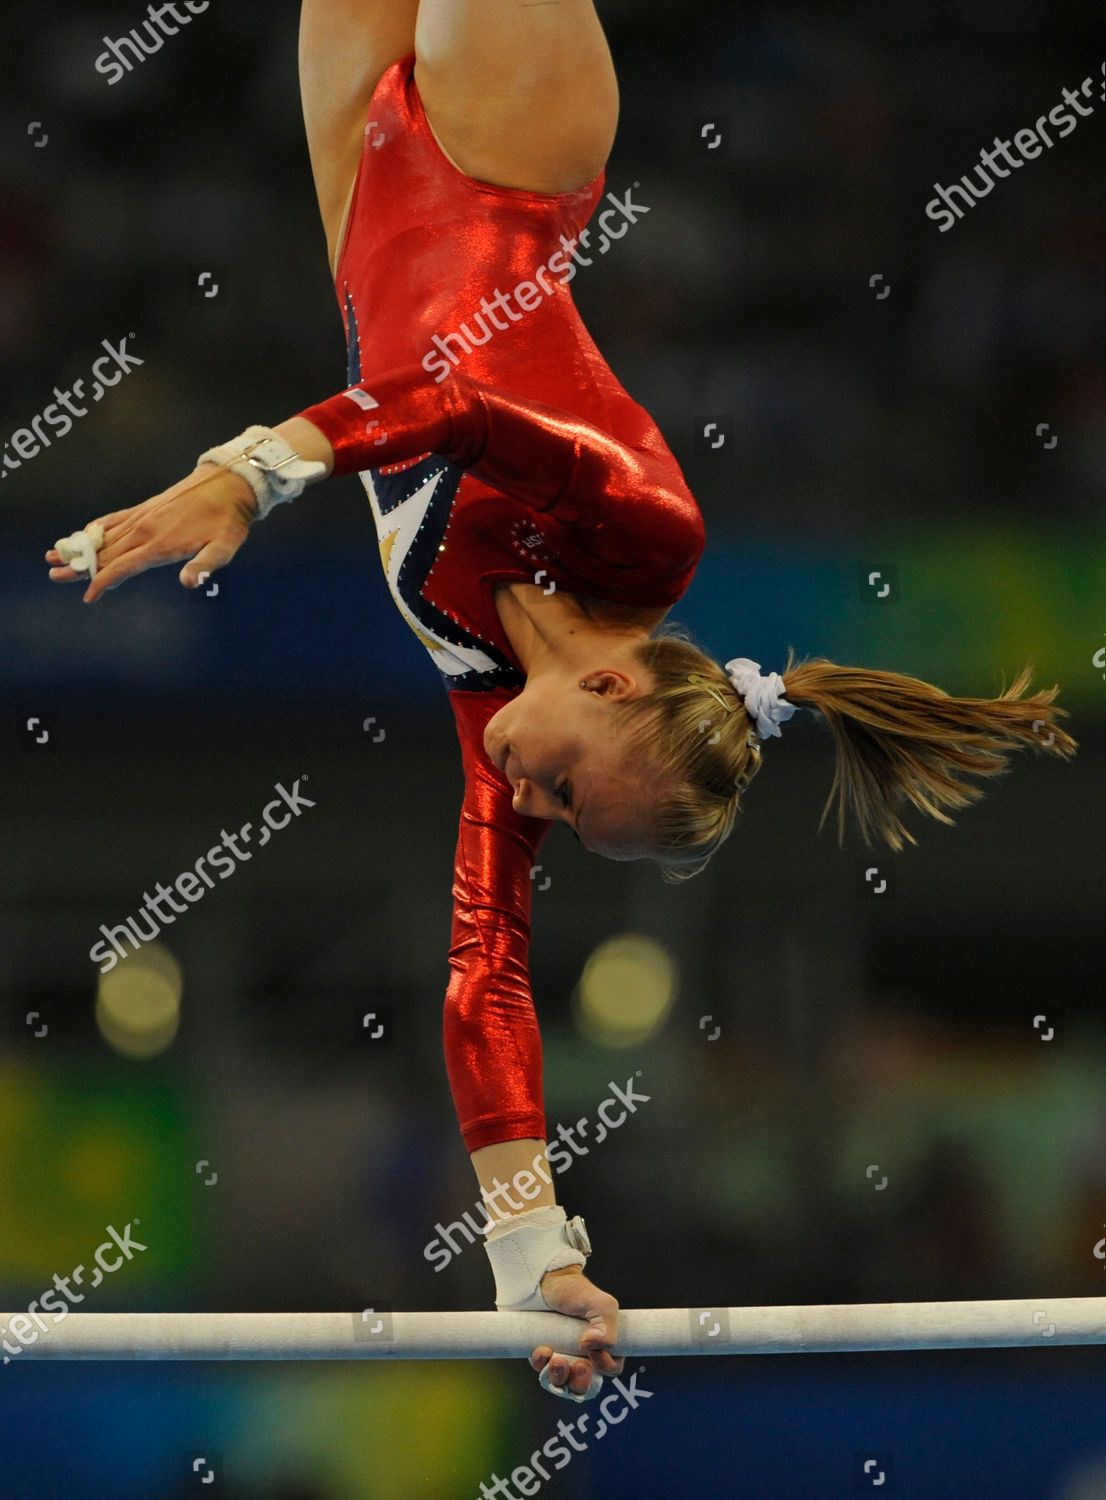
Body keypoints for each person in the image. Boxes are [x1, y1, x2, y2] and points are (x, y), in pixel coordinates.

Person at [44, 0, 1076, 1403]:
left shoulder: (486, 698)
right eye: (569, 793)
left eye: (551, 817)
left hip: (366, 199)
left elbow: (490, 968)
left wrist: (532, 1262)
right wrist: (252, 470)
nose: (527, 802)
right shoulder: (648, 542)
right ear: (610, 684)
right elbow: (460, 409)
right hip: (506, 152)